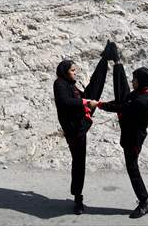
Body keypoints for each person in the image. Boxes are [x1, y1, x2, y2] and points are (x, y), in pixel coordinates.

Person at [89, 41, 148, 219]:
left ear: (140, 83)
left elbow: (119, 106)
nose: (132, 81)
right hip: (134, 134)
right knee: (132, 169)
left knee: (133, 170)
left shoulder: (138, 100)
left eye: (135, 79)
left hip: (133, 140)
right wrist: (117, 64)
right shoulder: (144, 94)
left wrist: (99, 104)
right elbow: (124, 93)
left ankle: (144, 202)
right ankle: (143, 201)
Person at [53, 41, 115, 215]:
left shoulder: (70, 85)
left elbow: (85, 95)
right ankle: (78, 199)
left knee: (94, 89)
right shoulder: (59, 84)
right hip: (74, 129)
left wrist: (88, 98)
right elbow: (65, 102)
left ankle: (104, 61)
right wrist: (86, 101)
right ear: (65, 72)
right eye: (73, 70)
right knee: (78, 162)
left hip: (80, 124)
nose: (75, 73)